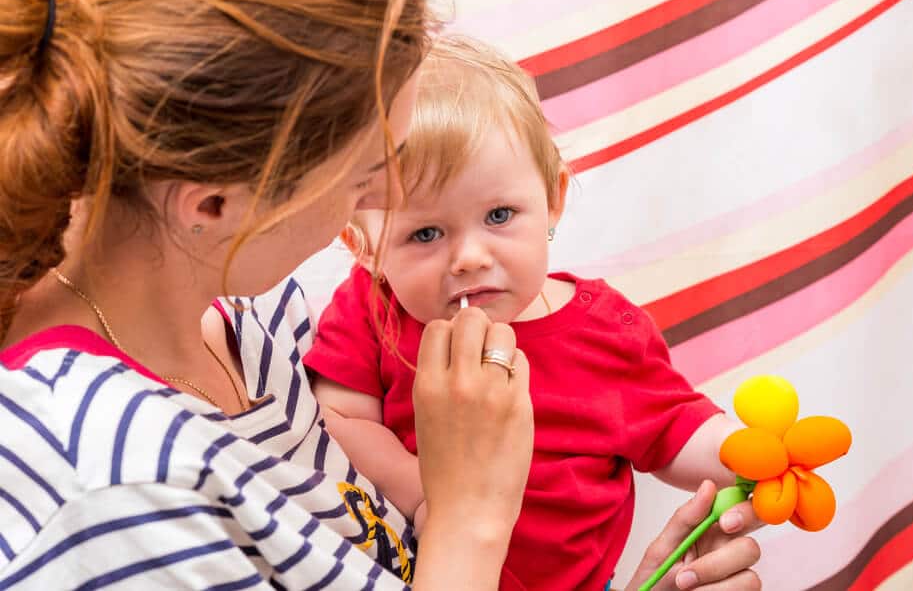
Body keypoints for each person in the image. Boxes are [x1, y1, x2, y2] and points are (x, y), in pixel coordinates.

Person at [0, 0, 759, 589]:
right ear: (211, 205)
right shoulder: (112, 487)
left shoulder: (241, 321)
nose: (393, 198)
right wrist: (467, 512)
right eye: (371, 170)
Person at [306, 37, 754, 590]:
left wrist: (744, 455)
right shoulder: (372, 308)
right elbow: (338, 423)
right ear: (365, 247)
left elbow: (672, 430)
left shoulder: (605, 327)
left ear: (553, 199)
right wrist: (426, 496)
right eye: (425, 233)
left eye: (499, 214)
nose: (470, 258)